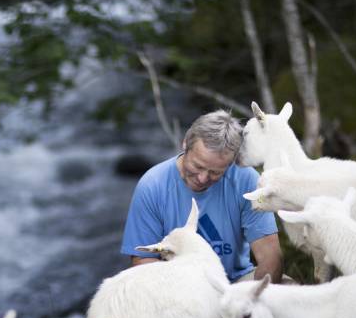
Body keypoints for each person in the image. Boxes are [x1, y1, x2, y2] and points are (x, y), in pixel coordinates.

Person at [121, 109, 283, 282]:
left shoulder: (247, 180)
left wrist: (253, 299)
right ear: (185, 144)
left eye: (215, 172)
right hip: (175, 283)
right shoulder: (152, 185)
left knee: (288, 289)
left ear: (231, 163)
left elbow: (270, 255)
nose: (203, 178)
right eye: (197, 166)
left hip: (235, 281)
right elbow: (143, 260)